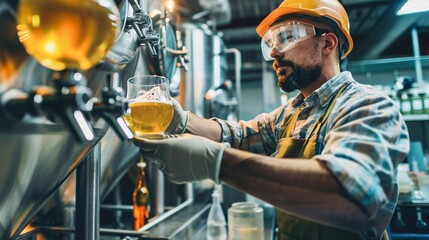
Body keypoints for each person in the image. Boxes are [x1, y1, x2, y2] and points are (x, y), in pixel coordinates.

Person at [133, 0, 410, 239]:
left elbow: (352, 196)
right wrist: (182, 121)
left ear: (327, 43)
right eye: (271, 43)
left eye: (287, 37)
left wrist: (217, 164)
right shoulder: (290, 113)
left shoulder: (367, 105)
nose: (275, 53)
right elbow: (239, 136)